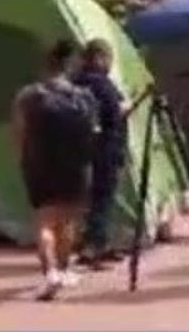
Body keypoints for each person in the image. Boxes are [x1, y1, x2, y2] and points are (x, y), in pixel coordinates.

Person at [11, 39, 98, 301]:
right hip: (75, 165)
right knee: (68, 220)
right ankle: (63, 269)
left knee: (45, 222)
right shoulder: (83, 96)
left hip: (40, 164)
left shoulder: (28, 96)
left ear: (46, 65)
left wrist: (22, 159)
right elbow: (93, 131)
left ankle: (50, 273)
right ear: (69, 66)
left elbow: (19, 133)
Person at [72, 38, 129, 268]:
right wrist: (125, 107)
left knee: (92, 198)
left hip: (81, 148)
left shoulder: (75, 82)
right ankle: (93, 247)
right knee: (102, 198)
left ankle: (99, 242)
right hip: (106, 147)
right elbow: (114, 115)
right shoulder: (102, 84)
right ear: (99, 58)